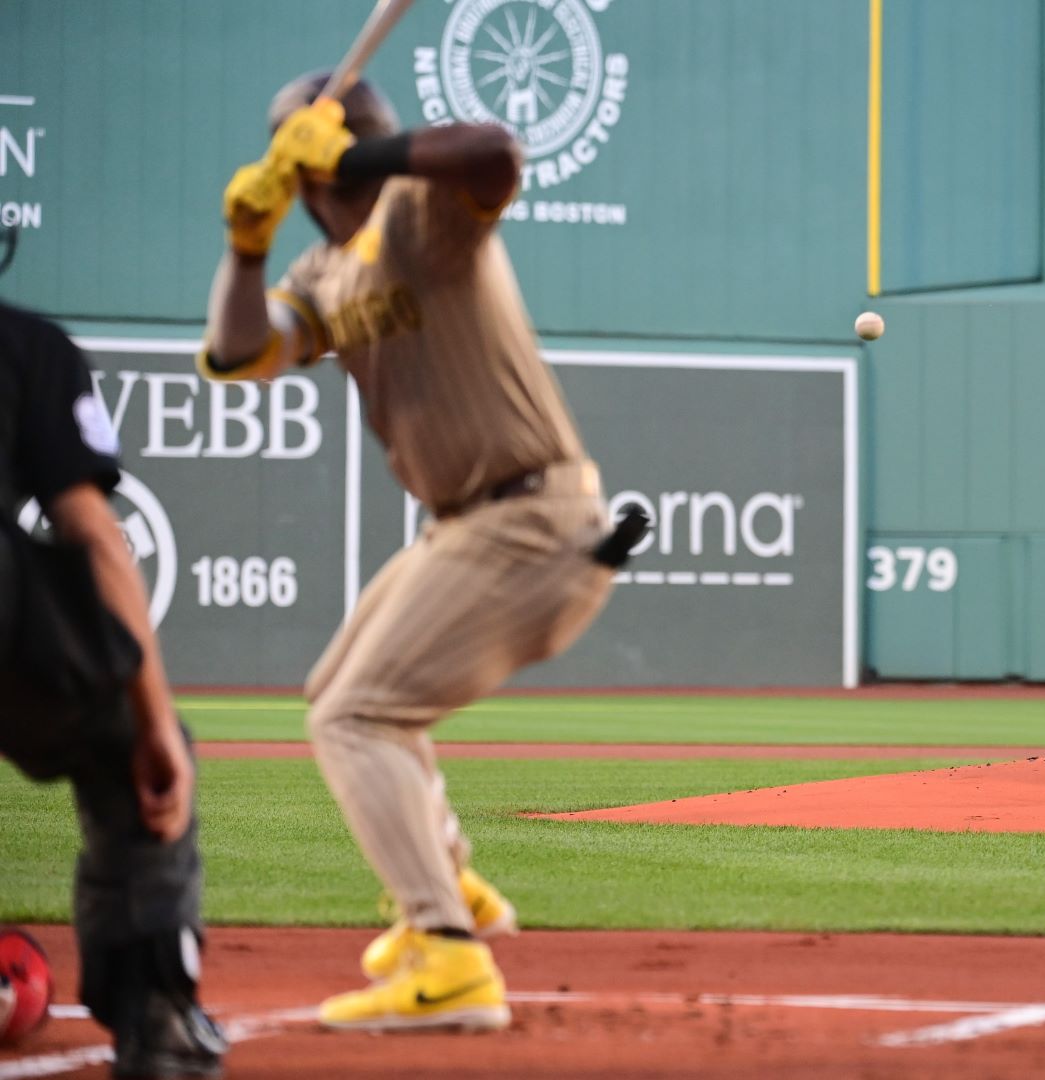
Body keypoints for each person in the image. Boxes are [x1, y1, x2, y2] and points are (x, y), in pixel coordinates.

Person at [199, 73, 644, 1032]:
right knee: (336, 697)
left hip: (532, 516)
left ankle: (448, 954)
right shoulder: (320, 270)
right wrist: (245, 245)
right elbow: (240, 355)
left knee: (359, 716)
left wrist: (361, 157)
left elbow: (496, 154)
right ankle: (450, 887)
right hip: (470, 526)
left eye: (366, 134)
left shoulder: (422, 211)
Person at [0, 229, 226, 1077]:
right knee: (125, 751)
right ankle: (156, 1017)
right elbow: (95, 534)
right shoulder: (27, 345)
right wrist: (154, 720)